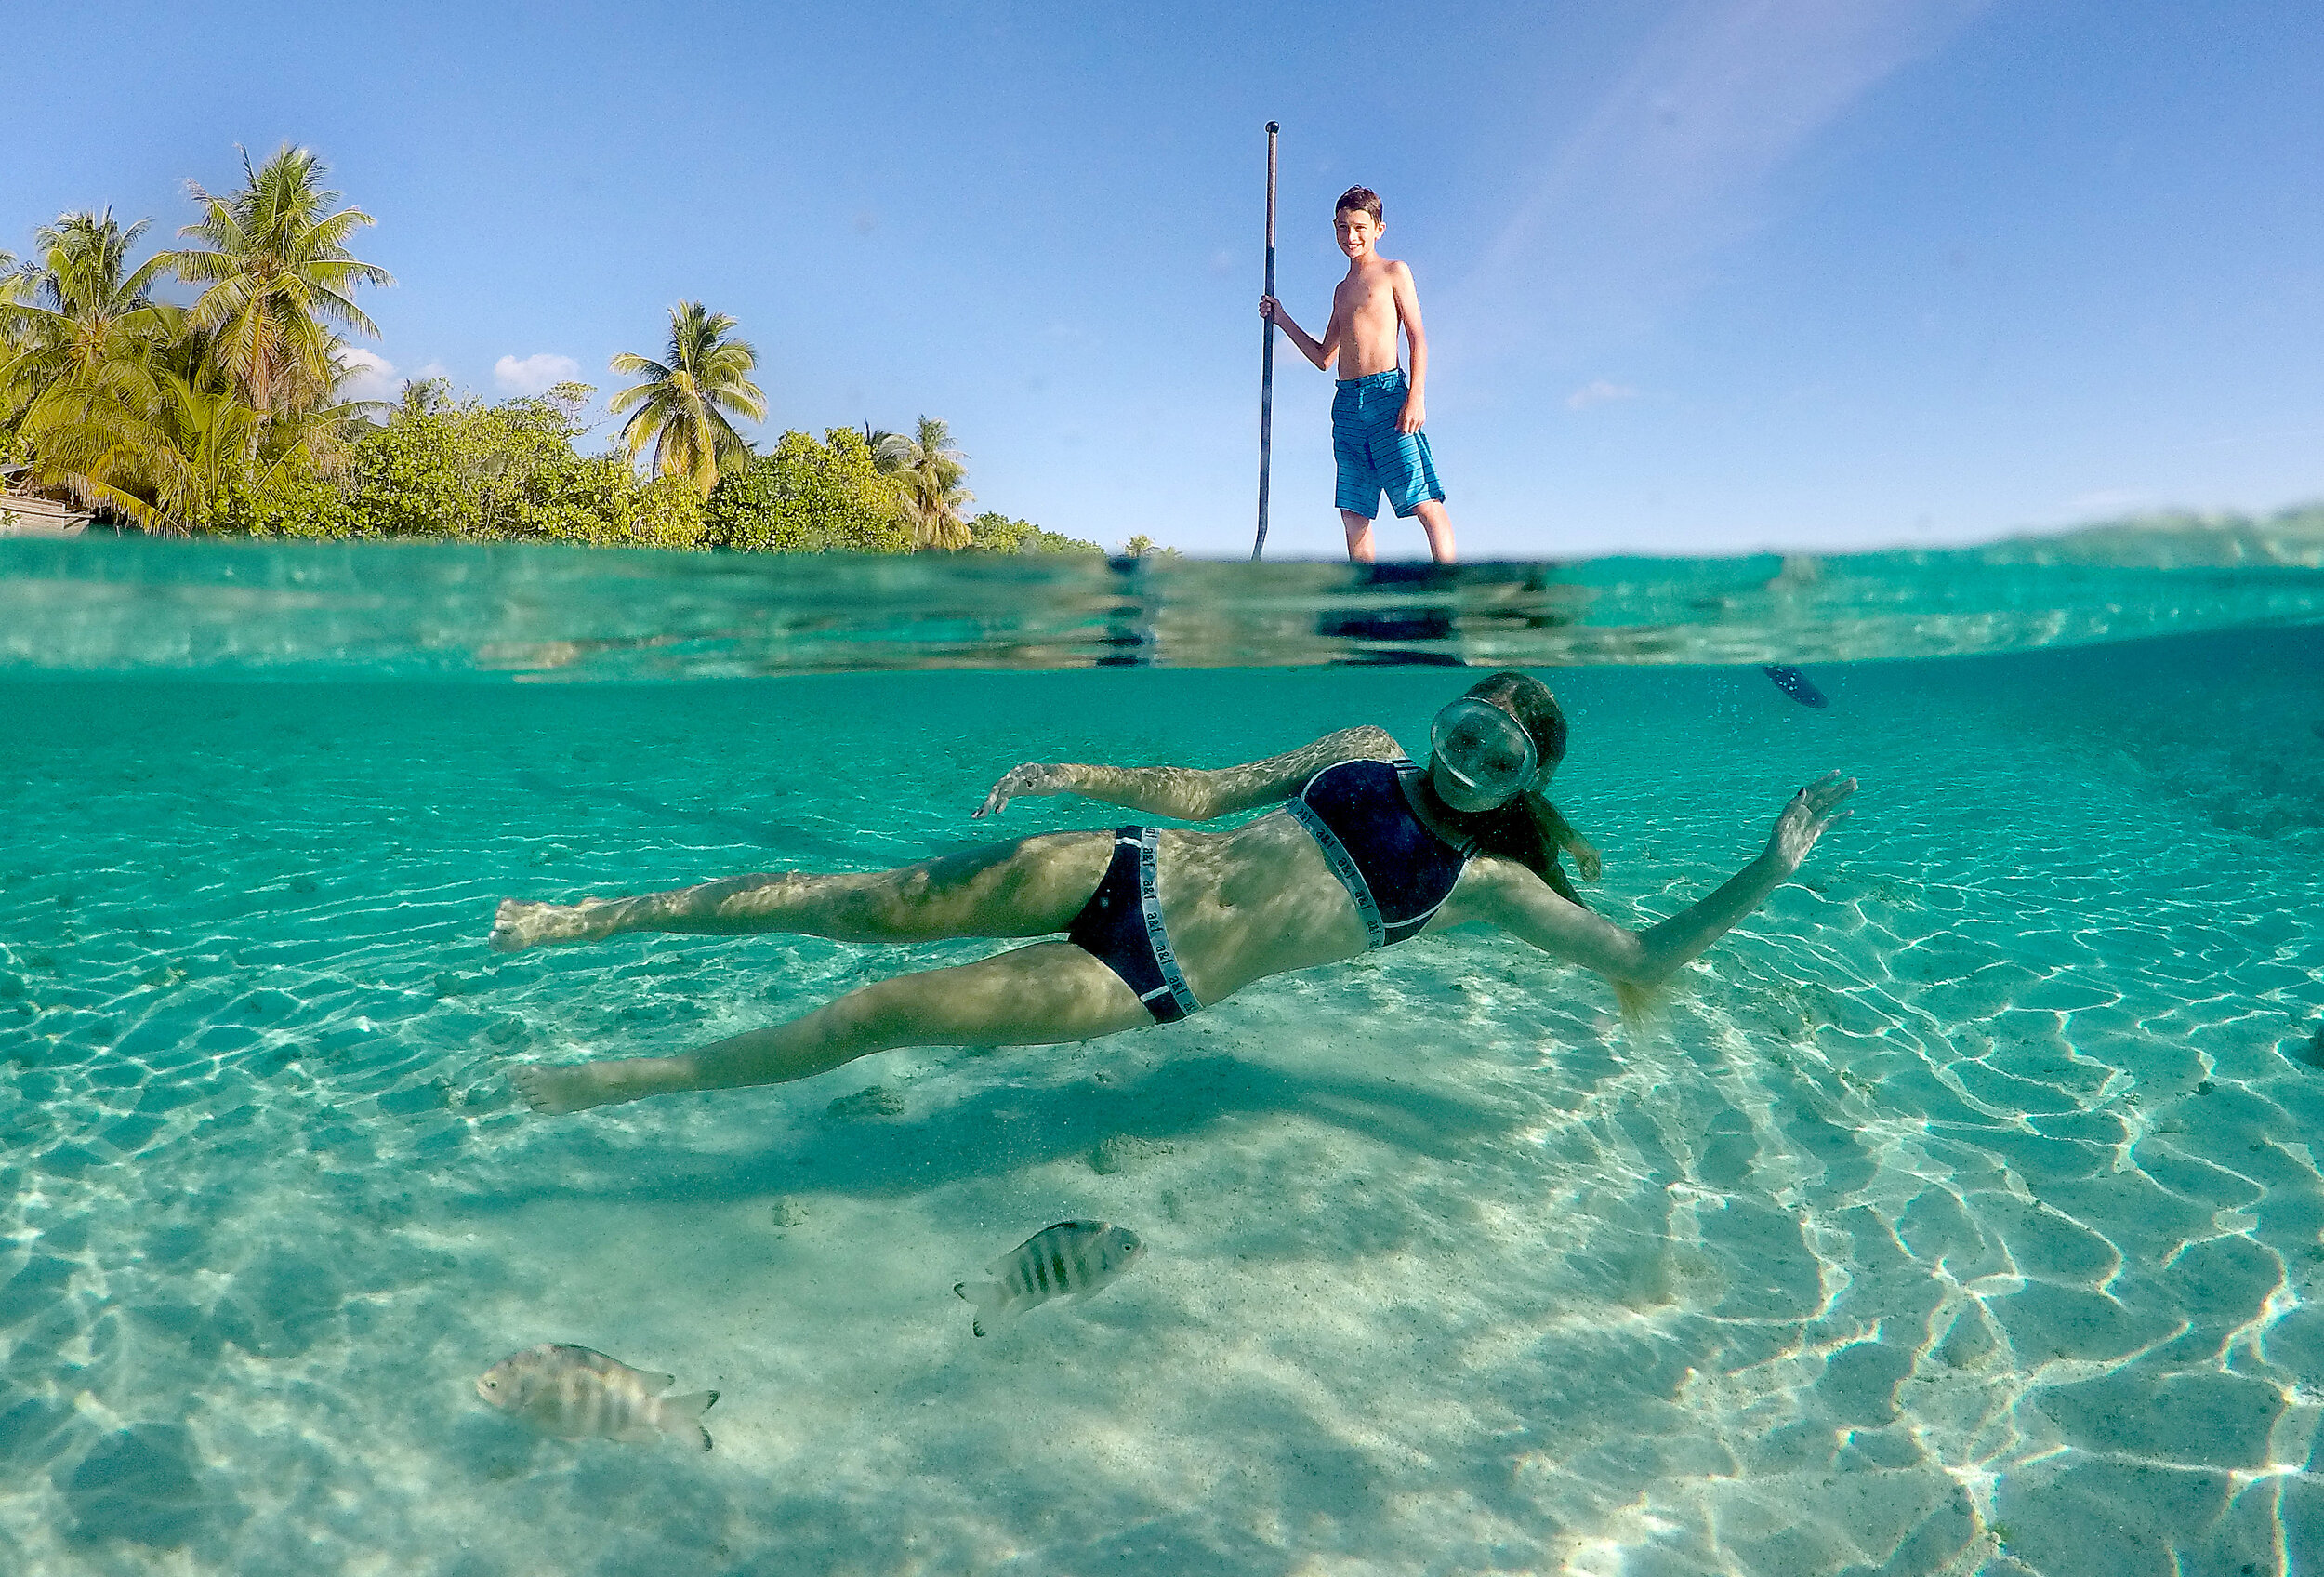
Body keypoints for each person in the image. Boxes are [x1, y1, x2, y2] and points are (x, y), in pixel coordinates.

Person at [495, 672, 1855, 1116]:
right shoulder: (1362, 749)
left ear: (1520, 782)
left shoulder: (1485, 885)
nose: (1475, 750)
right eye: (1472, 723)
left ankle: (617, 1080)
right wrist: (1063, 767)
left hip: (1142, 980)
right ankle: (583, 921)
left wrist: (1766, 869)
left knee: (880, 1012)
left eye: (1504, 753)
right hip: (1122, 863)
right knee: (856, 896)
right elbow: (1201, 792)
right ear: (1444, 718)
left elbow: (1643, 952)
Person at [1260, 185, 1455, 564]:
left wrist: (1416, 396)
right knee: (1353, 514)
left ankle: (1449, 588)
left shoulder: (1394, 272)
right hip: (1347, 405)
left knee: (1422, 499)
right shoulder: (1340, 290)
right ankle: (1368, 604)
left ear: (1379, 228)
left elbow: (1418, 338)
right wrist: (1281, 318)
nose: (1351, 236)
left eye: (1360, 227)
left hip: (1388, 397)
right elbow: (1322, 357)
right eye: (1343, 227)